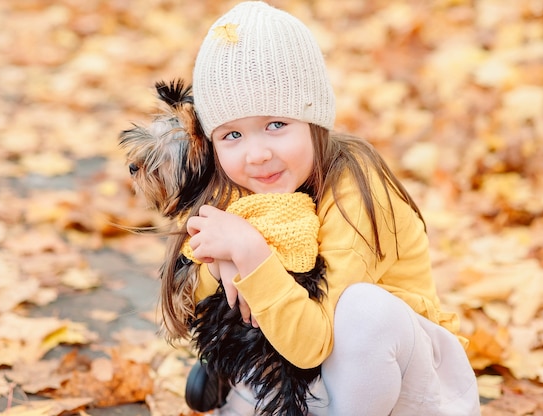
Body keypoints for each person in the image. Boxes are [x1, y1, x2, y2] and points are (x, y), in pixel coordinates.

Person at [161, 1, 480, 414]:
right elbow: (199, 305)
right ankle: (236, 387)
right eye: (232, 134)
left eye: (276, 125)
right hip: (304, 385)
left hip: (401, 387)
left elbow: (314, 344)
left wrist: (251, 253)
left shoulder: (356, 188)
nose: (257, 154)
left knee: (364, 309)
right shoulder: (236, 190)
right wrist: (221, 263)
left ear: (314, 120)